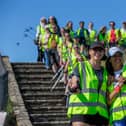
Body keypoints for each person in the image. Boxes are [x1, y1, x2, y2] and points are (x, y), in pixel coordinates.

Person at [67, 42, 109, 126]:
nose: (98, 52)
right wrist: (74, 86)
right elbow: (74, 78)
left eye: (100, 50)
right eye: (95, 49)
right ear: (89, 52)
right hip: (81, 111)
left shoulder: (106, 72)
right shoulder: (80, 66)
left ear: (104, 53)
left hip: (100, 114)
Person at [106, 46, 126, 126]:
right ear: (110, 59)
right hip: (118, 117)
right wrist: (119, 86)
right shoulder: (106, 77)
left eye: (119, 55)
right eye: (114, 56)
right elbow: (108, 101)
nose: (118, 58)